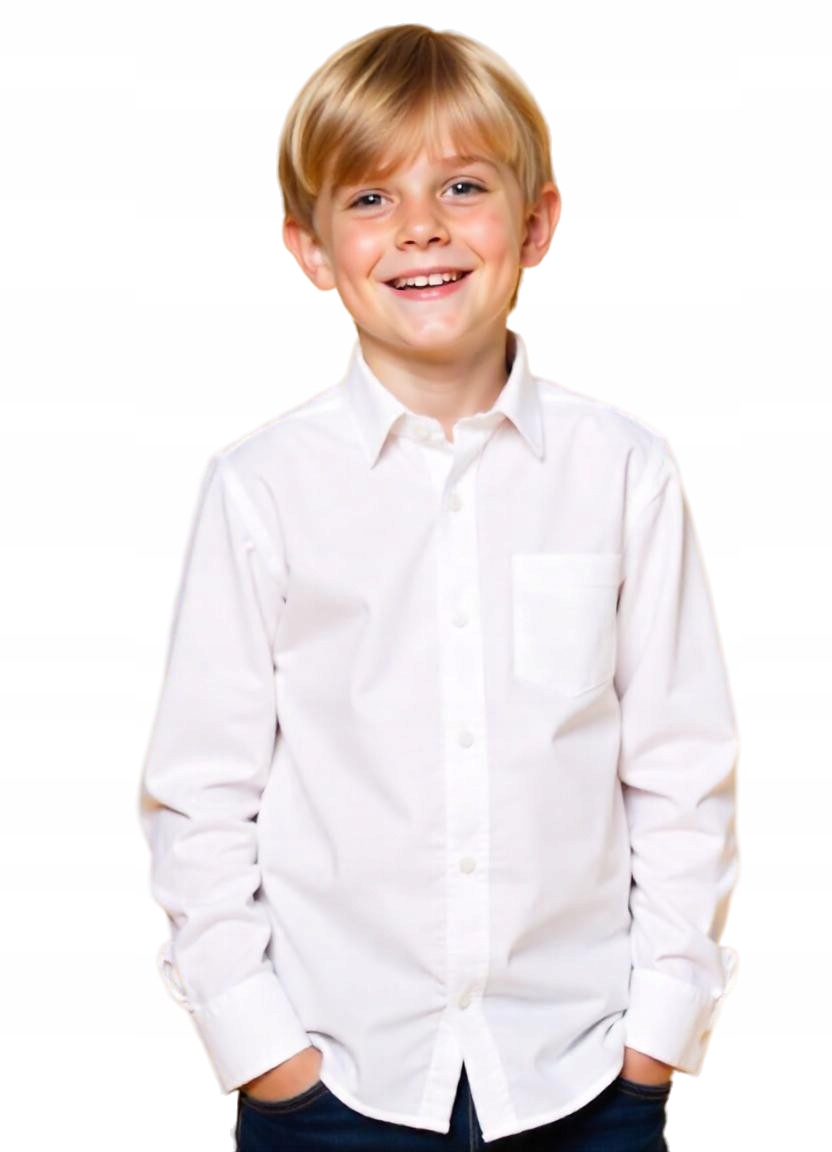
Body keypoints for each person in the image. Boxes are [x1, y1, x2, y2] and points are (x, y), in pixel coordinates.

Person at [138, 23, 740, 1151]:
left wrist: (654, 1040)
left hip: (578, 1076)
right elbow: (203, 788)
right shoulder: (261, 488)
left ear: (535, 224)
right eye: (370, 198)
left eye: (462, 186)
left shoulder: (622, 472)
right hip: (335, 1081)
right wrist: (263, 1051)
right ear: (311, 248)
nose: (420, 226)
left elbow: (678, 767)